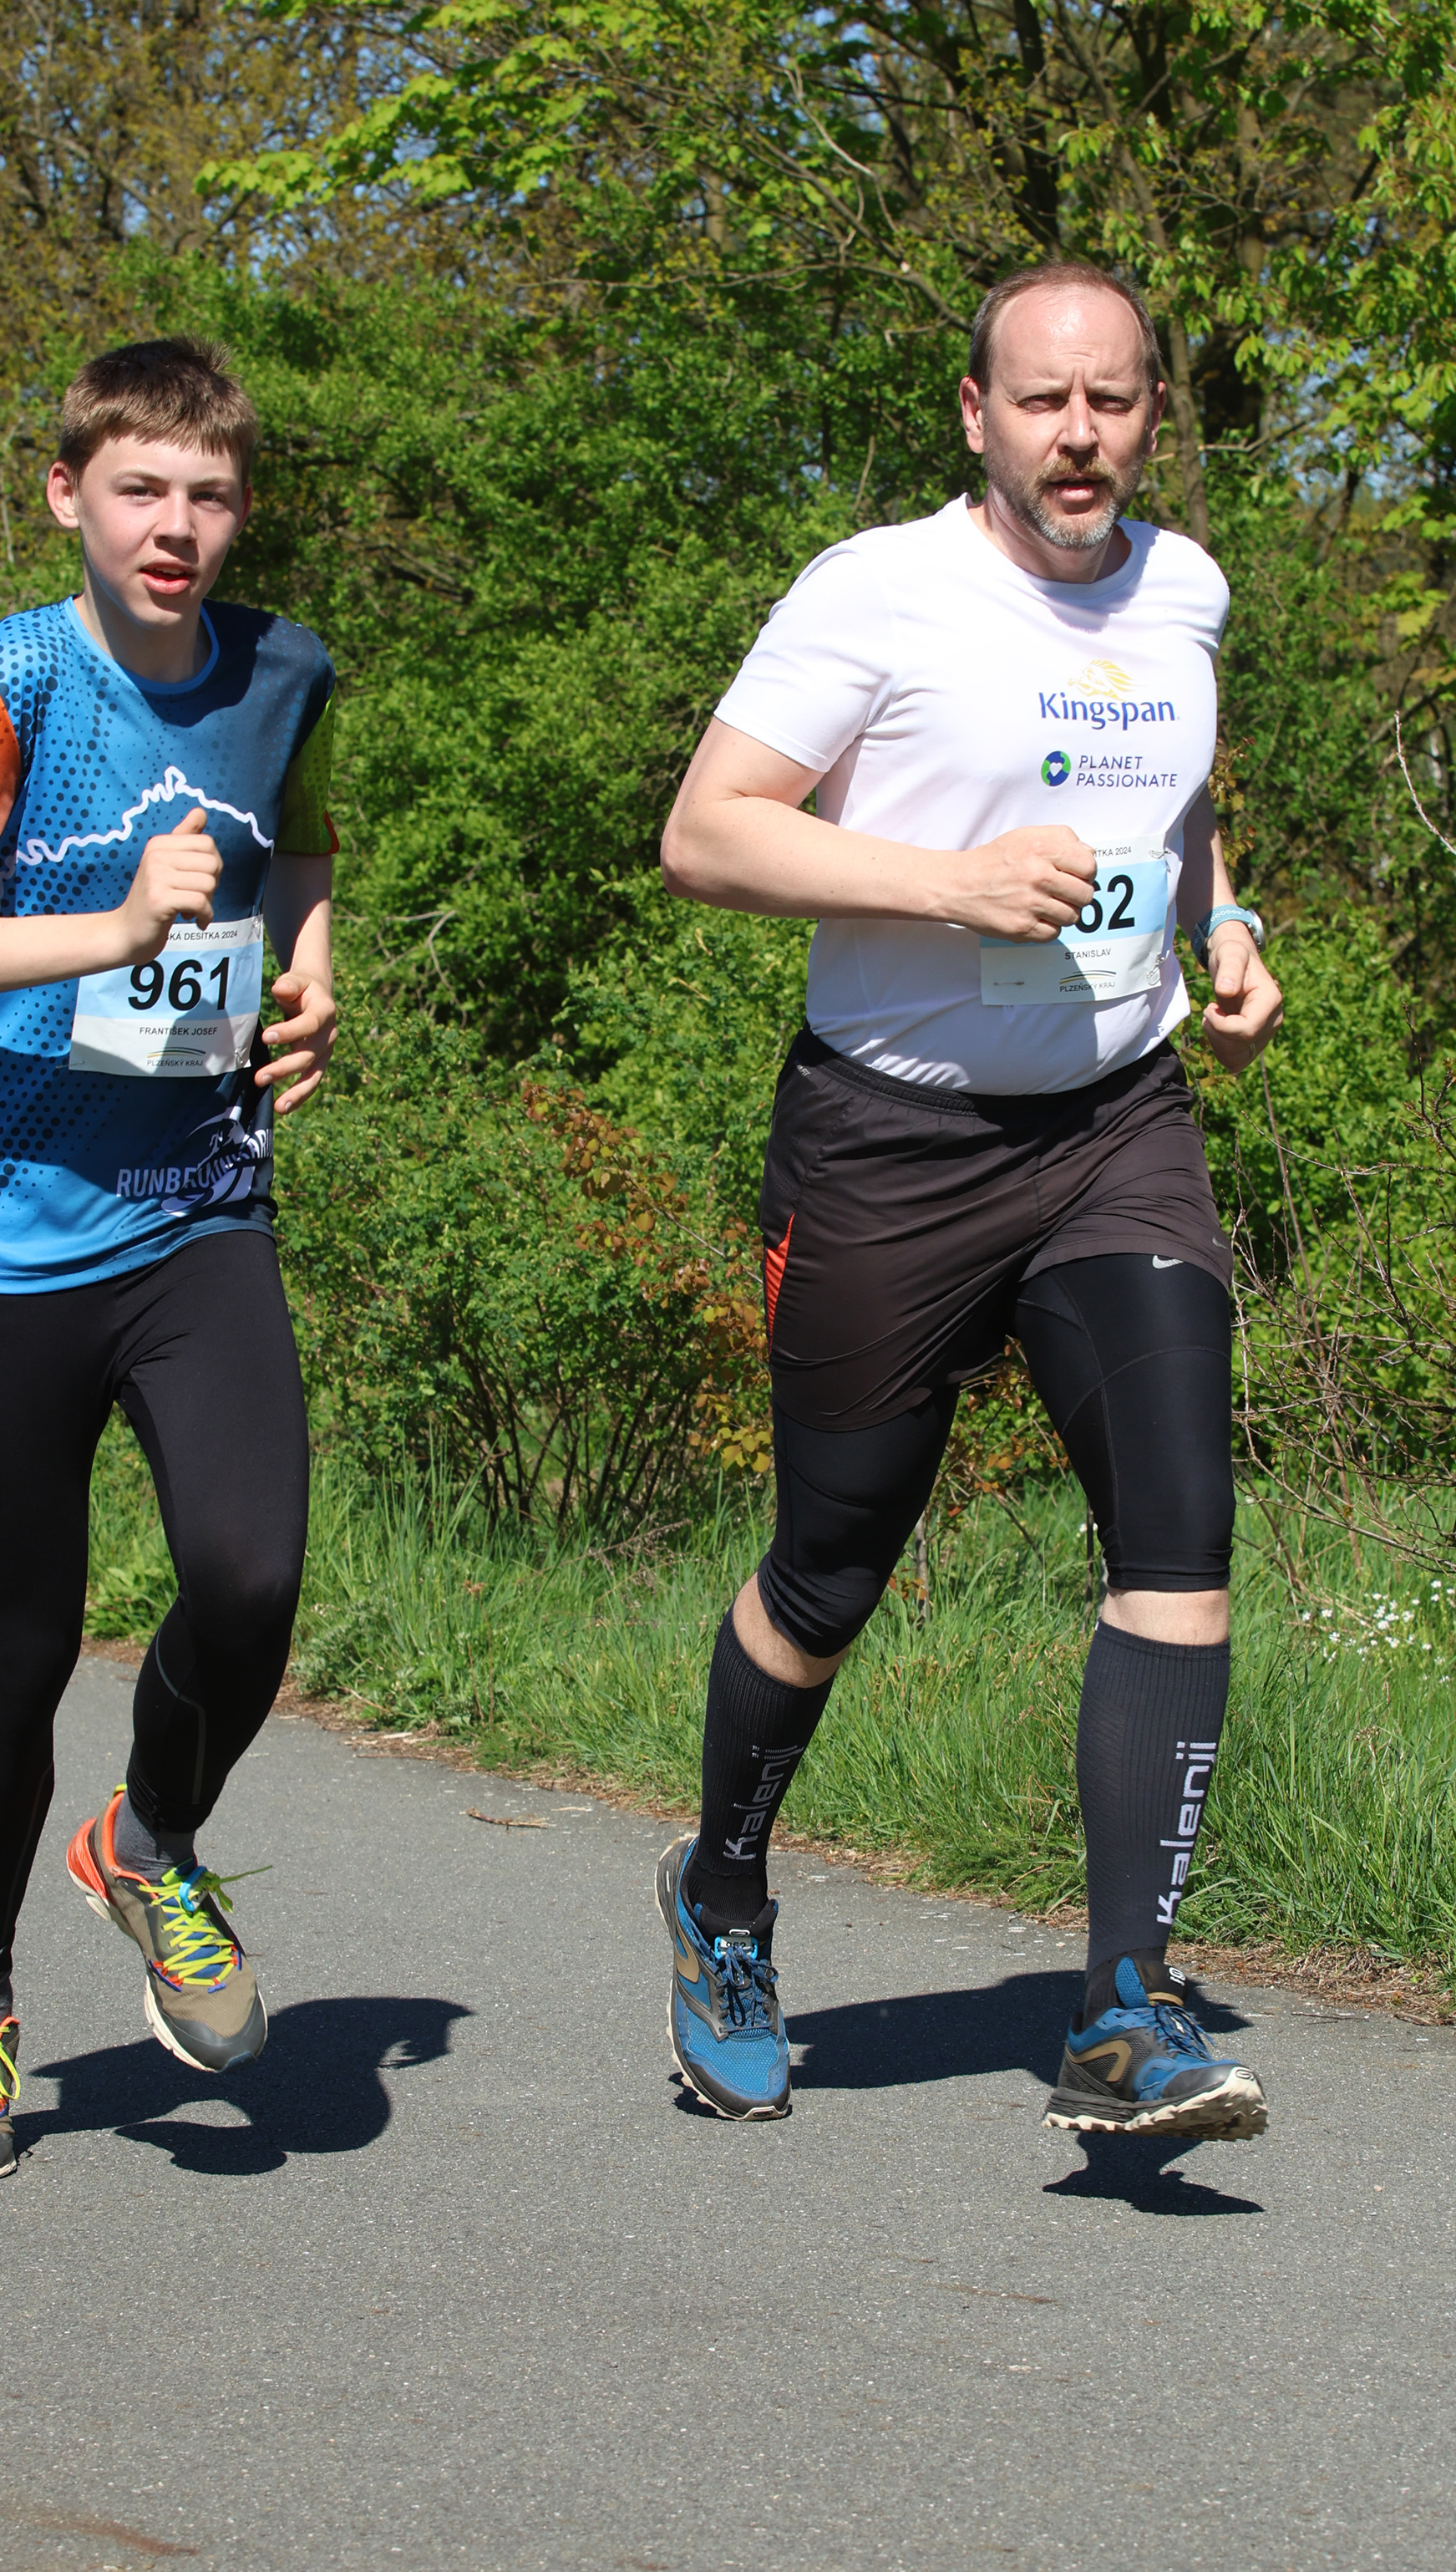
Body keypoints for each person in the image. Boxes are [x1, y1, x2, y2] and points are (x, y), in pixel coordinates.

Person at [654, 262, 1283, 2139]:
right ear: (975, 414)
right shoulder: (878, 590)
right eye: (1041, 401)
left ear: (1150, 412)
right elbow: (706, 832)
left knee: (1177, 1541)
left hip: (1113, 1125)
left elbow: (1172, 802)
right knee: (831, 1562)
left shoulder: (1185, 590)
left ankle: (1123, 2004)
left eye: (1111, 401)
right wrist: (950, 882)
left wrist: (1223, 924)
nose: (1077, 436)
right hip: (891, 1141)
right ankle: (723, 1892)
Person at [0, 338, 337, 2181]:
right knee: (21, 1644)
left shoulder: (285, 669)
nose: (173, 527)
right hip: (8, 1234)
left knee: (250, 1578)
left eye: (208, 495)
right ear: (70, 496)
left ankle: (151, 1840)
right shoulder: (7, 686)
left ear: (239, 509)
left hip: (200, 1207)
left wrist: (313, 975)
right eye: (138, 491)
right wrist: (108, 931)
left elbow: (297, 849)